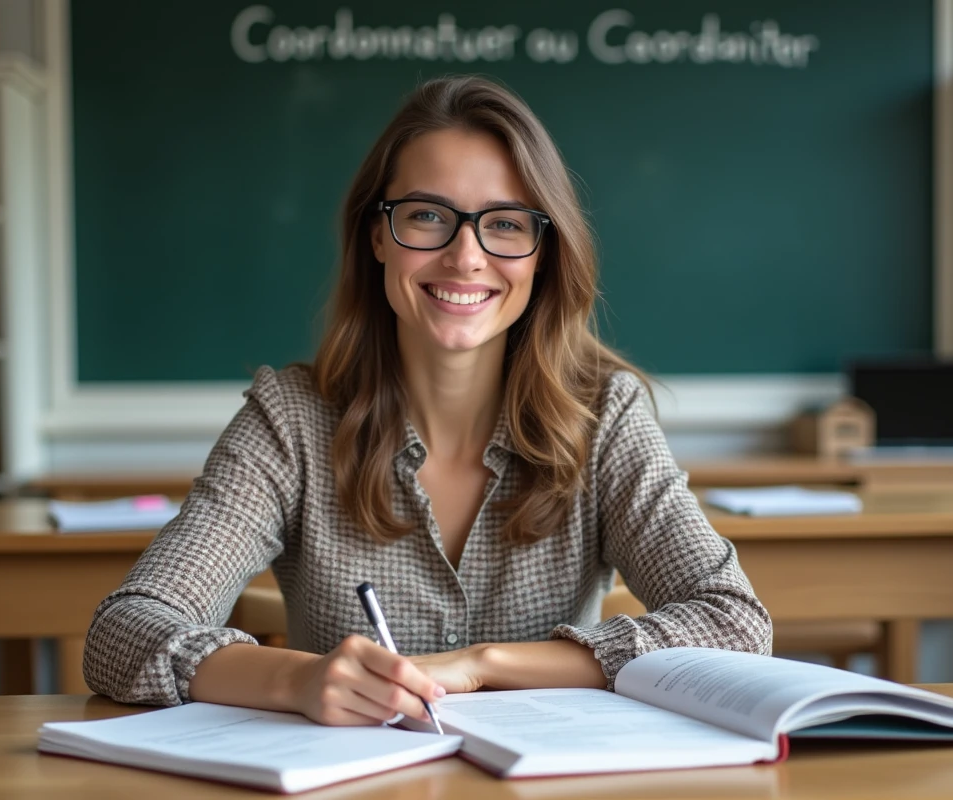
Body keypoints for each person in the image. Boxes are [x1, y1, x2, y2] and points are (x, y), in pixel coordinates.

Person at [83, 75, 771, 727]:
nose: (466, 257)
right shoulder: (290, 419)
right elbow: (124, 631)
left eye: (504, 224)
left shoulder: (605, 416)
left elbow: (736, 625)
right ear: (378, 235)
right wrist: (297, 681)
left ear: (543, 250)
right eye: (426, 215)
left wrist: (482, 666)